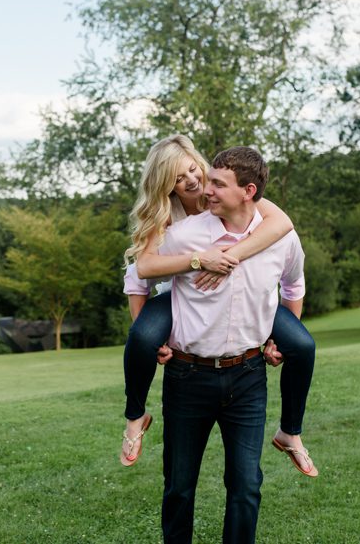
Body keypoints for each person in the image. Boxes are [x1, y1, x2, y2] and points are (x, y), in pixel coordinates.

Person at [119, 135, 317, 479]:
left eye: (194, 169)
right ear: (166, 185)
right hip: (183, 296)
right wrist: (198, 262)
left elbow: (283, 225)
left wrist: (230, 257)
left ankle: (290, 432)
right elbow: (141, 275)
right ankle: (135, 417)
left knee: (301, 344)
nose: (193, 181)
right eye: (179, 179)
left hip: (246, 298)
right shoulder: (165, 217)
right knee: (141, 336)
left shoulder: (234, 197)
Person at [158, 145, 307, 543]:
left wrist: (281, 334)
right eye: (207, 180)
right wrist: (150, 331)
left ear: (248, 190)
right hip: (187, 376)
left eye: (217, 184)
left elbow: (294, 285)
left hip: (247, 377)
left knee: (245, 487)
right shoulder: (185, 235)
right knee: (178, 487)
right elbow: (141, 274)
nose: (205, 190)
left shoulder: (281, 238)